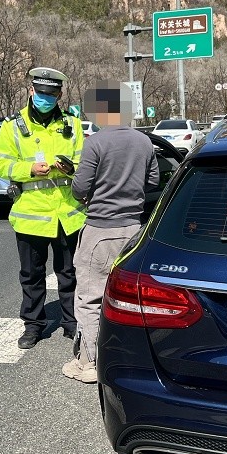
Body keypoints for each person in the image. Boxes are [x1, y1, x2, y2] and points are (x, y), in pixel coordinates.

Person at [62, 81, 160, 384]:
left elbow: (80, 189)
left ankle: (89, 362)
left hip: (100, 231)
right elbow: (154, 181)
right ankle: (129, 357)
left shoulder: (95, 142)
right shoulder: (144, 142)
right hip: (133, 230)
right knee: (127, 299)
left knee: (90, 298)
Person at [0, 67, 86, 349]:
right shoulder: (12, 126)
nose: (45, 98)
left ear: (59, 95)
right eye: (41, 93)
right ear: (31, 91)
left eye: (52, 94)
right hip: (30, 215)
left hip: (67, 215)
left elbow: (85, 165)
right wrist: (29, 169)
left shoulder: (73, 125)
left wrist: (71, 168)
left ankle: (72, 323)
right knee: (31, 275)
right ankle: (33, 325)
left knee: (69, 273)